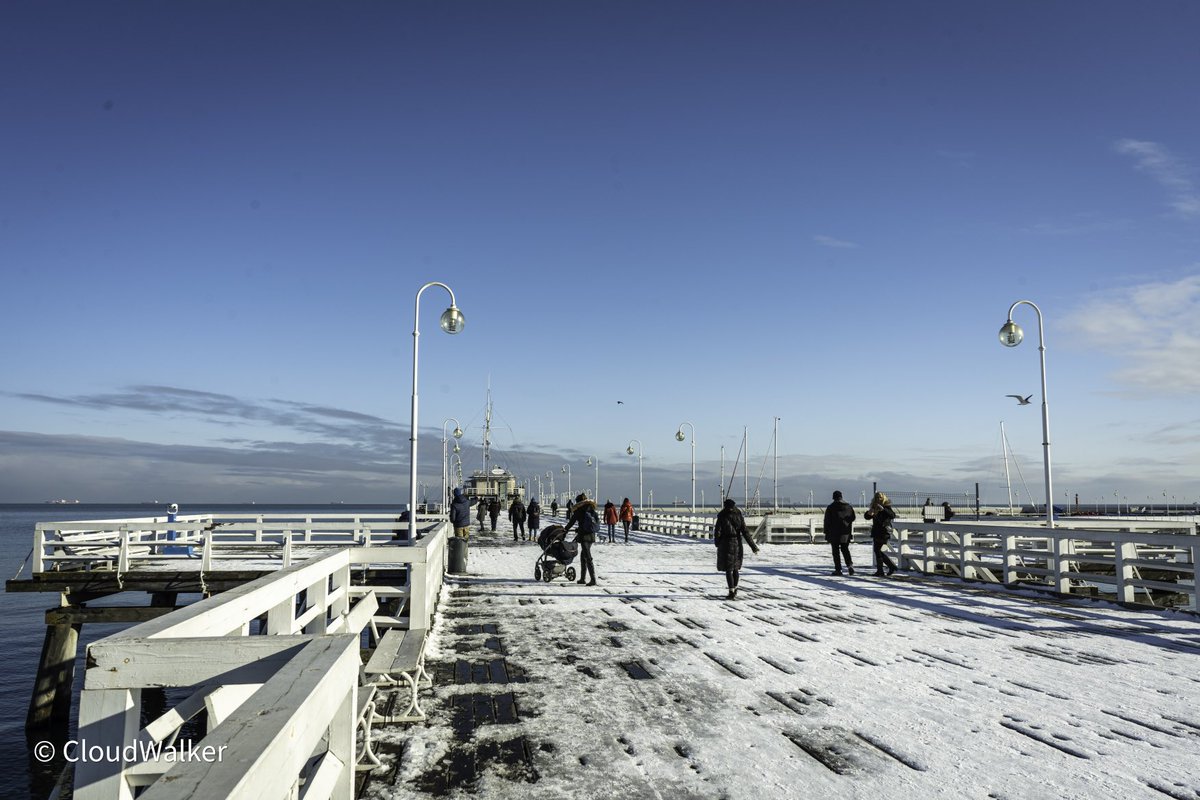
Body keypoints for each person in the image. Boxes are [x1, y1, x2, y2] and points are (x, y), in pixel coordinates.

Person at [714, 498, 759, 600]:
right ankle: (735, 588)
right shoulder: (738, 515)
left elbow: (717, 531)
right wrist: (753, 546)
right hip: (738, 543)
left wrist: (717, 543)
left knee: (729, 569)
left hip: (726, 543)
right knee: (735, 568)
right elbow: (745, 532)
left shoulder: (722, 516)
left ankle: (731, 591)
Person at [562, 493, 599, 585]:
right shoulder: (591, 509)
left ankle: (593, 579)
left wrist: (565, 530)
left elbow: (571, 522)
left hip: (584, 536)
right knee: (583, 556)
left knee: (587, 557)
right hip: (591, 535)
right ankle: (582, 578)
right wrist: (579, 529)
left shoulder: (579, 511)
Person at [823, 490, 856, 576]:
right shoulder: (848, 506)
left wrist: (826, 532)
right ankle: (850, 566)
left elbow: (827, 521)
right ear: (841, 497)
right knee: (845, 550)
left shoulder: (830, 507)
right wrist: (846, 523)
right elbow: (853, 517)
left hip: (834, 533)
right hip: (845, 533)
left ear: (833, 498)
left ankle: (838, 569)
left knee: (835, 552)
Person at [864, 491, 898, 577]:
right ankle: (884, 569)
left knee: (878, 550)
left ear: (883, 498)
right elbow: (867, 517)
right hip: (876, 531)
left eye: (880, 497)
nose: (878, 499)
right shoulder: (874, 507)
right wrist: (868, 513)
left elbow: (892, 515)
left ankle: (886, 568)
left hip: (884, 531)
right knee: (877, 550)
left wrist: (883, 509)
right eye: (877, 498)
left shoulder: (887, 506)